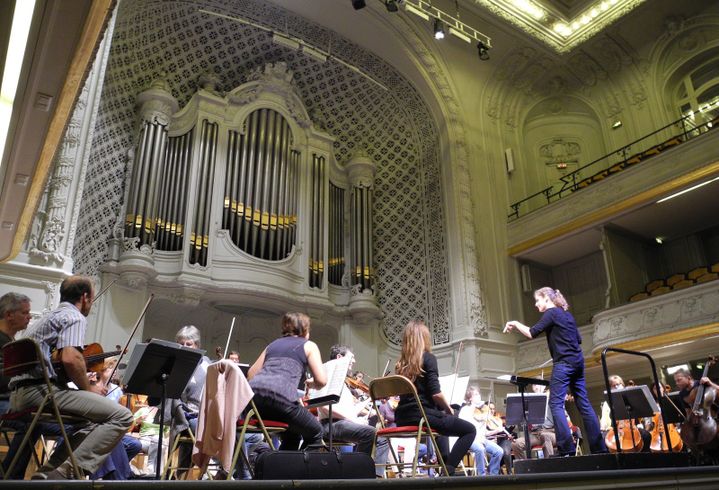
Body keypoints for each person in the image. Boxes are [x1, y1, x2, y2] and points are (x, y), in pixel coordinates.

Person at [9, 276, 133, 479]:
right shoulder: (73, 316)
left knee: (90, 423)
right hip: (41, 393)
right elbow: (71, 358)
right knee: (123, 415)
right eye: (91, 300)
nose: (91, 305)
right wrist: (89, 389)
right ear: (84, 297)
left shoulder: (47, 318)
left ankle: (48, 474)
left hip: (19, 395)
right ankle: (66, 472)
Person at [504, 287, 607, 456]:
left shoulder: (551, 313)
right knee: (584, 404)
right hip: (578, 362)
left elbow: (531, 333)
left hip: (564, 363)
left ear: (546, 298)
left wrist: (515, 324)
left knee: (555, 404)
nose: (536, 305)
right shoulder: (567, 314)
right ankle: (599, 448)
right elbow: (578, 339)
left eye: (538, 300)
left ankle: (566, 448)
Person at [394, 320, 475, 476]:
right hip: (422, 416)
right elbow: (436, 394)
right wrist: (449, 408)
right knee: (469, 430)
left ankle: (446, 466)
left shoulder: (401, 364)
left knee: (441, 425)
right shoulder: (428, 358)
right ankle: (448, 470)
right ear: (424, 338)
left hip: (403, 417)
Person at [248, 312, 327, 450]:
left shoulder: (272, 345)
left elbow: (250, 374)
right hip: (280, 401)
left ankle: (280, 470)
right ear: (305, 330)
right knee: (317, 432)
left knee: (292, 434)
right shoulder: (308, 345)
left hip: (254, 403)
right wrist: (312, 384)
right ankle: (296, 469)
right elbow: (321, 380)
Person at [318, 345, 389, 477]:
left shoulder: (343, 383)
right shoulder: (328, 377)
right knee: (369, 433)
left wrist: (369, 399)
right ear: (339, 357)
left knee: (383, 436)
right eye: (351, 357)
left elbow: (351, 410)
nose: (354, 361)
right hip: (330, 424)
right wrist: (351, 419)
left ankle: (376, 475)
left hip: (341, 423)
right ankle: (357, 474)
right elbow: (323, 407)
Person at [166, 325, 211, 478]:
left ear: (197, 346)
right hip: (186, 415)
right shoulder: (177, 367)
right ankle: (184, 475)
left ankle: (227, 472)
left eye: (189, 344)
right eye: (181, 344)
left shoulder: (207, 365)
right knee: (195, 427)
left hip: (205, 415)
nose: (184, 347)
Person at [458, 387, 503, 475]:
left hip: (482, 439)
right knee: (480, 449)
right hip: (469, 439)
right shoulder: (465, 410)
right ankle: (481, 476)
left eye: (479, 394)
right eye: (476, 394)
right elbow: (461, 428)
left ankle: (493, 474)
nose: (479, 396)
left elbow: (485, 433)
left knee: (499, 451)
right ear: (470, 398)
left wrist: (496, 430)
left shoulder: (483, 410)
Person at [599, 375, 650, 452]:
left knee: (646, 435)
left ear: (623, 385)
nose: (616, 387)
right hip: (616, 428)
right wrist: (607, 428)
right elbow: (605, 422)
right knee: (603, 438)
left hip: (632, 427)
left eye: (618, 384)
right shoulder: (607, 402)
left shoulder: (631, 397)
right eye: (613, 386)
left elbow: (640, 415)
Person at [510, 384, 556, 459]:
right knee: (516, 444)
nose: (537, 387)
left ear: (544, 387)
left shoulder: (552, 399)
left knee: (545, 436)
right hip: (535, 434)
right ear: (532, 388)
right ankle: (525, 468)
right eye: (534, 385)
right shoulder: (530, 402)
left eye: (539, 385)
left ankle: (550, 466)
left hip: (550, 432)